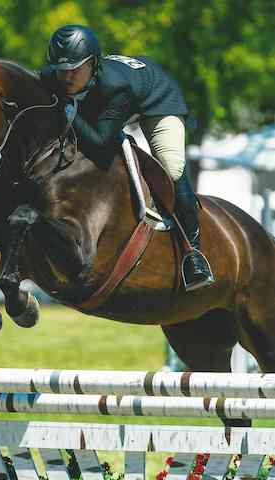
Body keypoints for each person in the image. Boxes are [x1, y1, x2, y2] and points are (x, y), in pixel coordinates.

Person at [40, 24, 214, 292]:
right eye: (62, 69)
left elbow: (99, 144)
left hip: (157, 99)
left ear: (94, 63)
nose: (67, 77)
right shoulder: (51, 76)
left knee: (172, 166)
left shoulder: (115, 87)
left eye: (75, 68)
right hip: (114, 98)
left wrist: (68, 112)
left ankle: (194, 252)